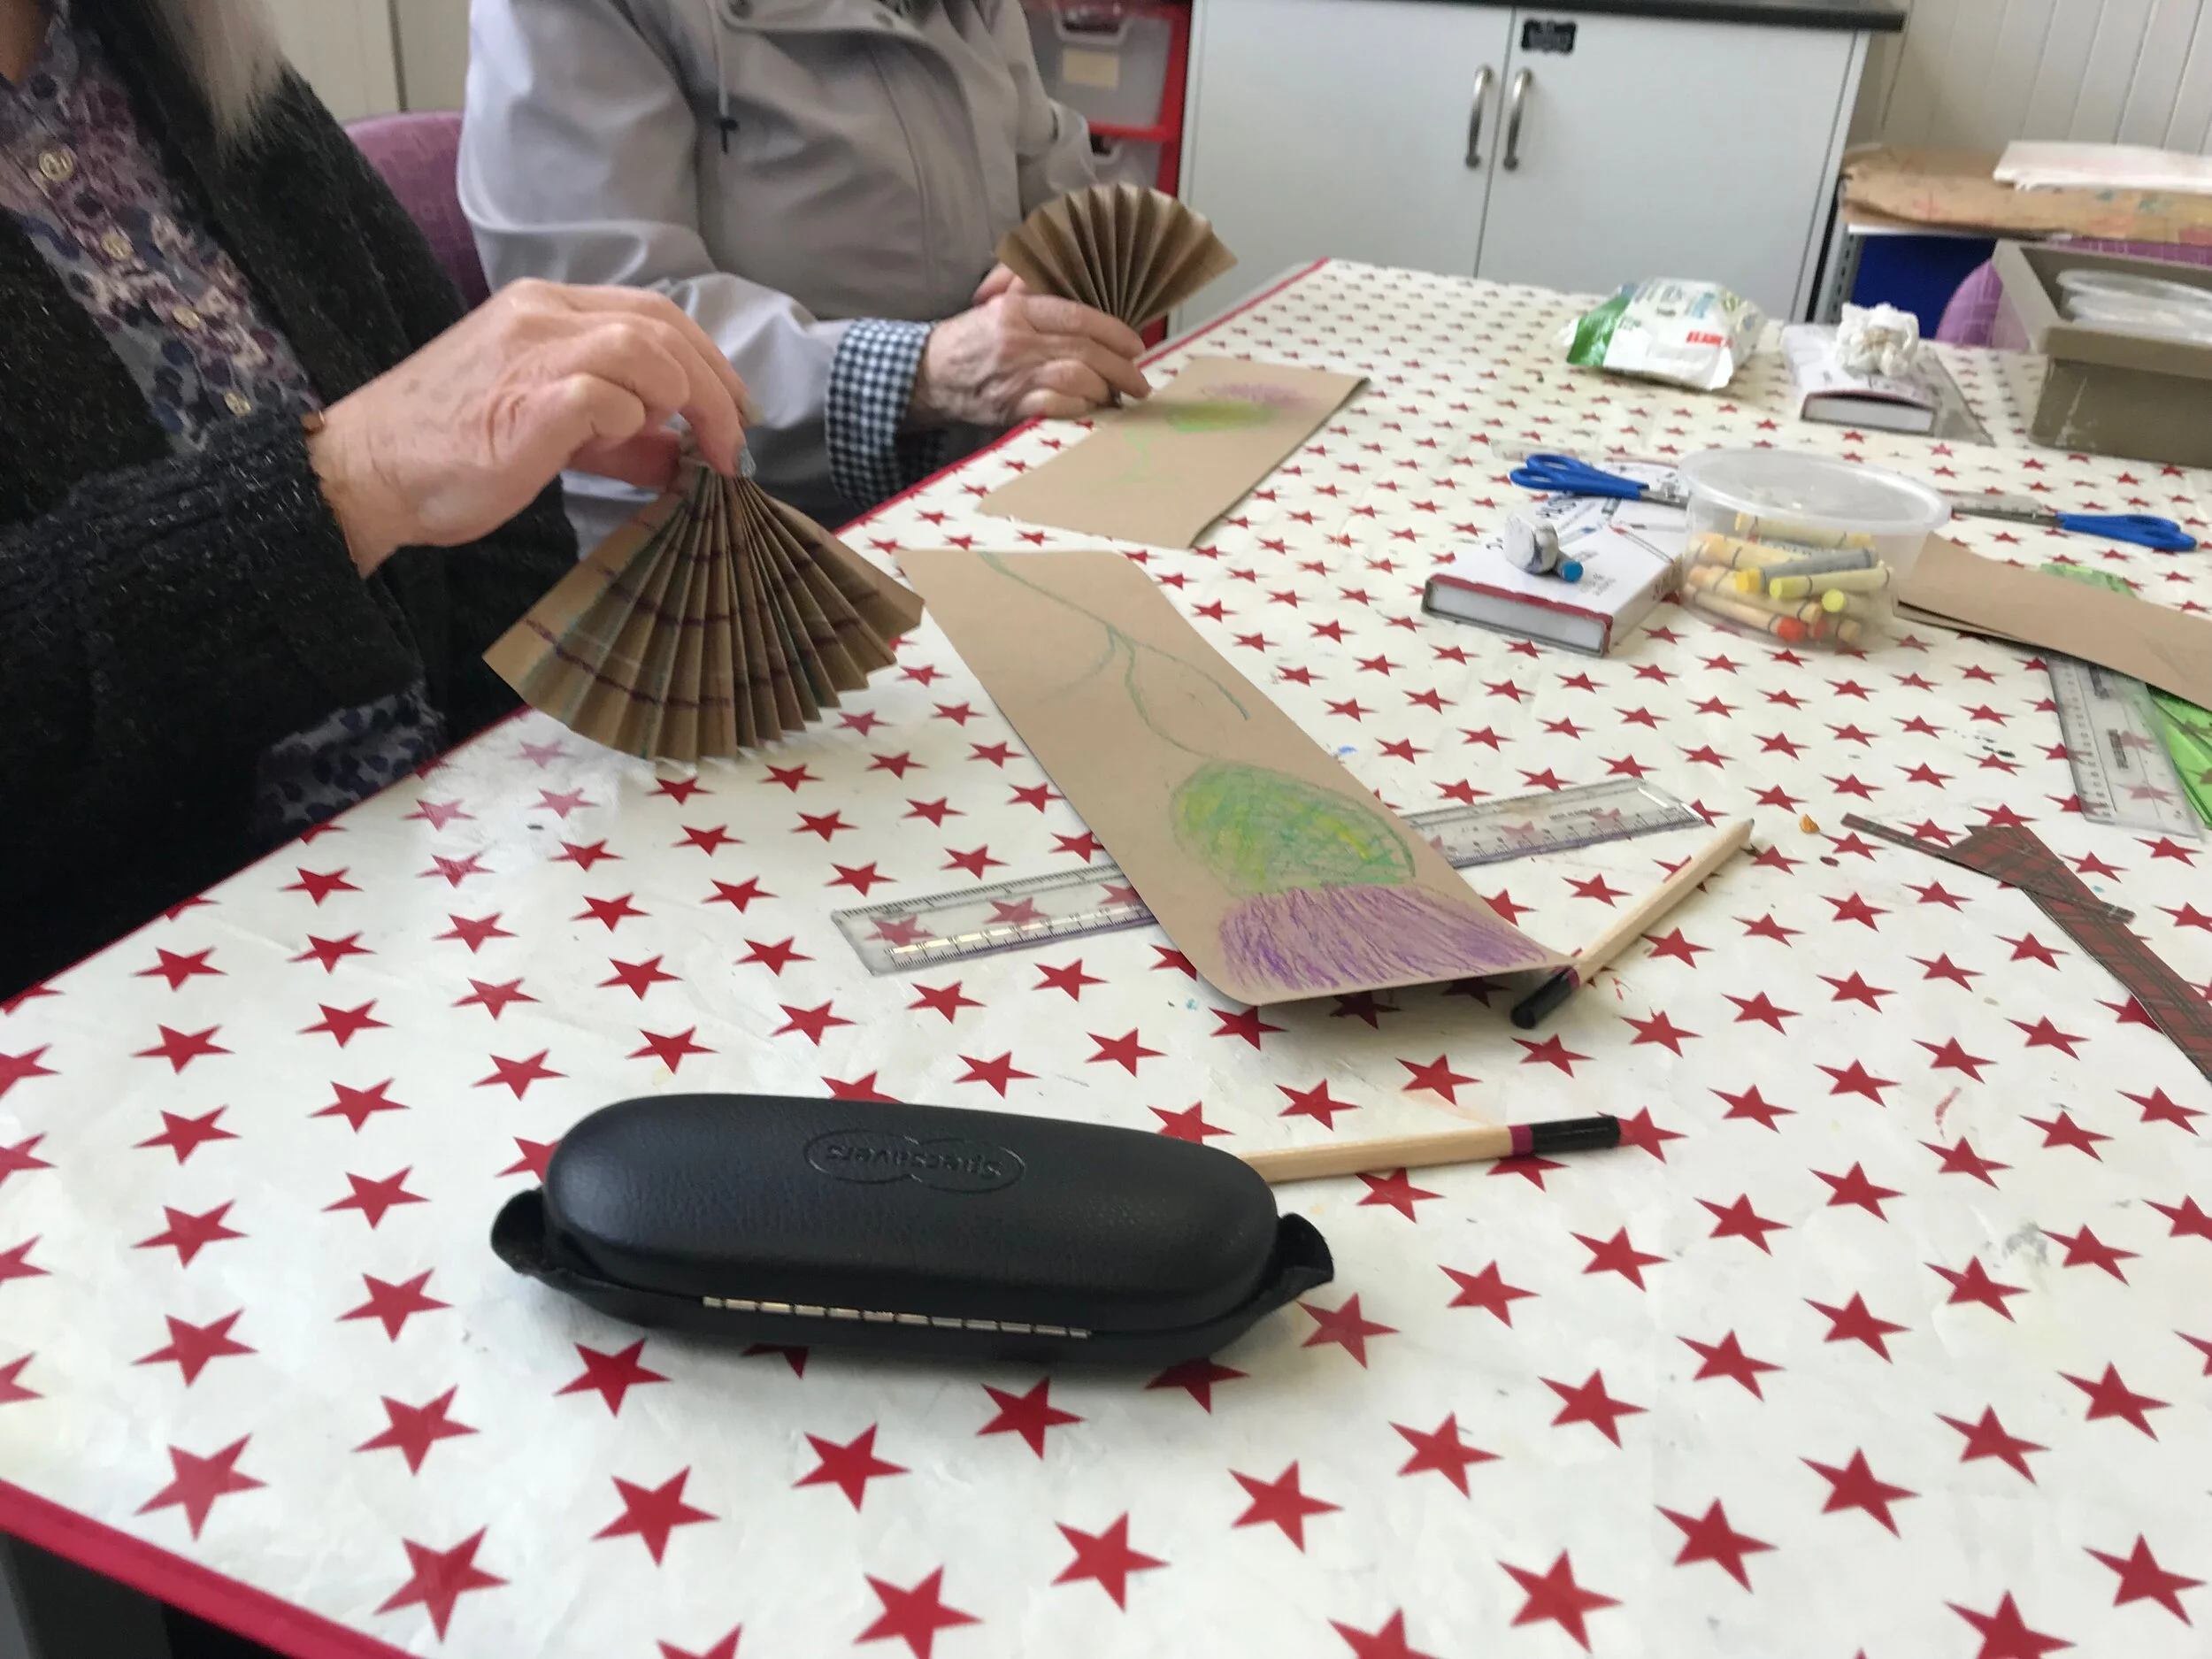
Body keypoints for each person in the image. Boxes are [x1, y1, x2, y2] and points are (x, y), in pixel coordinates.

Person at [0, 0, 751, 1001]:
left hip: (455, 897)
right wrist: (346, 483)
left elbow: (498, 553)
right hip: (146, 1016)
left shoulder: (164, 43)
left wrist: (541, 851)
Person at [459, 0, 1151, 548]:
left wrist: (1060, 257)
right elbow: (611, 330)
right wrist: (925, 372)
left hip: (979, 476)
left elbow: (1053, 173)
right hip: (717, 542)